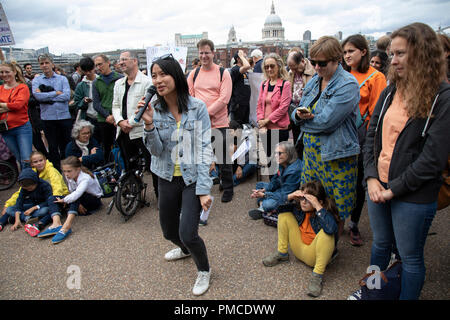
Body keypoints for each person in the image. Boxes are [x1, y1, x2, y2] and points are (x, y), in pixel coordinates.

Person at [361, 23, 449, 300]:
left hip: (413, 194)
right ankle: (373, 292)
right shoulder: (389, 92)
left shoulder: (443, 99)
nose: (393, 60)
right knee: (380, 245)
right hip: (380, 184)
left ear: (423, 54)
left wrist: (392, 189)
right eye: (392, 53)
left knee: (410, 258)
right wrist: (372, 177)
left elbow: (432, 160)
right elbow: (371, 136)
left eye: (401, 54)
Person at [140, 54, 213, 296]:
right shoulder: (155, 110)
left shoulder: (197, 107)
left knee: (188, 233)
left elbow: (205, 149)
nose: (158, 80)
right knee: (168, 232)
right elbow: (157, 151)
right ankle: (183, 250)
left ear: (176, 76)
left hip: (192, 179)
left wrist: (204, 190)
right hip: (166, 176)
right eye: (154, 75)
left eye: (163, 74)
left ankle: (203, 269)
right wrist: (149, 124)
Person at [291, 36, 360, 239]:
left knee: (335, 205)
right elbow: (298, 109)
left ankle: (332, 246)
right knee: (311, 197)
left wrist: (301, 120)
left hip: (336, 155)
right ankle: (316, 239)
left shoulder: (348, 84)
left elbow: (327, 122)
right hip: (312, 153)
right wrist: (297, 115)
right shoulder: (314, 80)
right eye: (313, 63)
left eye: (322, 63)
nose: (317, 67)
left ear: (337, 59)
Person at [342, 34, 387, 246]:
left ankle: (354, 223)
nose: (347, 55)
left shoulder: (375, 77)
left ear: (363, 51)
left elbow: (377, 113)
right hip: (342, 134)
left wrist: (370, 143)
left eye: (351, 51)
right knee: (342, 178)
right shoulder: (342, 74)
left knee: (359, 181)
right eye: (344, 52)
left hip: (362, 136)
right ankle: (338, 218)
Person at [262, 180, 339, 297]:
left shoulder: (323, 213)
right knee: (284, 214)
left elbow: (331, 229)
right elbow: (277, 208)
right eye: (302, 198)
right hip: (299, 249)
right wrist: (291, 196)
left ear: (319, 202)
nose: (303, 202)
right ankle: (282, 255)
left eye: (308, 200)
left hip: (314, 257)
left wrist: (317, 206)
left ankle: (317, 276)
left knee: (327, 234)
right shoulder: (298, 208)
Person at [187, 39, 233, 203]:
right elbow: (190, 96)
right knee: (202, 158)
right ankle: (205, 187)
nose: (204, 56)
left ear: (213, 53)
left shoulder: (223, 73)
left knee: (223, 159)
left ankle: (228, 187)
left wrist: (205, 114)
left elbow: (224, 99)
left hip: (219, 123)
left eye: (207, 52)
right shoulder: (194, 74)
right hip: (199, 125)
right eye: (201, 53)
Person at [112, 50, 158, 198]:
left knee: (152, 165)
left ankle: (159, 194)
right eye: (120, 60)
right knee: (129, 164)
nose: (121, 62)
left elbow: (146, 106)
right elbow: (116, 105)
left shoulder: (147, 82)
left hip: (140, 131)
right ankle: (134, 193)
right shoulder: (119, 83)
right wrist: (119, 121)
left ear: (135, 61)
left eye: (125, 59)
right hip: (123, 131)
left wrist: (130, 123)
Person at [2, 151, 69, 236]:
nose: (39, 163)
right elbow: (19, 193)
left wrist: (56, 201)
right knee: (10, 209)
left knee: (45, 210)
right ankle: (27, 218)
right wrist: (7, 204)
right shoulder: (31, 174)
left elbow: (57, 188)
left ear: (45, 160)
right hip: (38, 201)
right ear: (32, 164)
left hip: (55, 199)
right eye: (35, 162)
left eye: (41, 160)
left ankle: (26, 218)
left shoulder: (51, 171)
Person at [38, 156, 103, 244]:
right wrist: (68, 201)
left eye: (69, 171)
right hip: (80, 199)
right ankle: (56, 224)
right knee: (52, 198)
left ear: (78, 169)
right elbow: (71, 191)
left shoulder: (85, 178)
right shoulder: (72, 176)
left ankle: (66, 227)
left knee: (73, 198)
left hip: (93, 201)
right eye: (64, 171)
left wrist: (65, 200)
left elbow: (76, 194)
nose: (66, 174)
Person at [32, 54, 72, 172]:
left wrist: (47, 97)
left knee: (66, 145)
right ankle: (56, 172)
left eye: (46, 63)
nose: (44, 65)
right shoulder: (37, 80)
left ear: (52, 64)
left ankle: (68, 169)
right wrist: (55, 93)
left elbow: (66, 96)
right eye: (41, 63)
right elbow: (38, 96)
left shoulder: (62, 79)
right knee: (53, 147)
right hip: (47, 118)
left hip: (64, 116)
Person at [256, 53, 292, 172]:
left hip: (279, 129)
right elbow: (260, 104)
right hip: (266, 129)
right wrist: (261, 121)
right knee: (270, 162)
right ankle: (272, 186)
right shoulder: (264, 84)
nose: (269, 69)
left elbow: (283, 108)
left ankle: (282, 187)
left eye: (272, 66)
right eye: (267, 67)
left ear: (278, 66)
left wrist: (267, 120)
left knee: (281, 162)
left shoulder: (285, 85)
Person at [248, 141, 302, 220]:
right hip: (281, 187)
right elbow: (275, 180)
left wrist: (264, 195)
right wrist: (265, 189)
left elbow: (285, 194)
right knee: (259, 185)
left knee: (268, 204)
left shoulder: (294, 171)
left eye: (279, 153)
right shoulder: (283, 162)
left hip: (288, 195)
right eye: (275, 153)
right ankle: (263, 207)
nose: (276, 156)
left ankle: (264, 207)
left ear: (289, 153)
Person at [0, 62, 33, 170]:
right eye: (1, 72)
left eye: (7, 72)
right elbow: (14, 105)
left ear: (14, 72)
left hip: (22, 127)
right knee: (19, 158)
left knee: (26, 159)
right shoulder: (0, 89)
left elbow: (18, 105)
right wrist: (10, 106)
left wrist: (3, 106)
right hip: (5, 129)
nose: (4, 74)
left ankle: (30, 183)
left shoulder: (22, 87)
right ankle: (26, 181)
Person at [92, 54, 123, 162]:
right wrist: (107, 115)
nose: (98, 67)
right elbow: (96, 103)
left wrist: (116, 116)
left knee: (122, 145)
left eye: (100, 64)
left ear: (108, 62)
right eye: (96, 65)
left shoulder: (120, 78)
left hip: (119, 118)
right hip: (104, 119)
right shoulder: (96, 82)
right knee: (106, 146)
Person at [287, 50, 315, 153]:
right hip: (295, 111)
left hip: (307, 113)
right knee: (296, 142)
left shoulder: (314, 72)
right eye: (291, 68)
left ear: (302, 61)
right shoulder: (291, 72)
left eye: (295, 67)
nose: (293, 71)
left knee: (305, 142)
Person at [72, 57, 99, 137]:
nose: (88, 73)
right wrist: (84, 101)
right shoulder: (81, 85)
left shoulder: (101, 81)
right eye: (85, 71)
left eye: (90, 70)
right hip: (88, 118)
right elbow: (76, 103)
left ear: (94, 68)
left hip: (102, 117)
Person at [229, 50, 252, 125]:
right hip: (237, 105)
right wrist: (241, 56)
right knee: (237, 129)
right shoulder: (235, 69)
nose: (246, 59)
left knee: (245, 127)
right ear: (238, 59)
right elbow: (247, 66)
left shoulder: (245, 71)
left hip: (245, 103)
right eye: (244, 57)